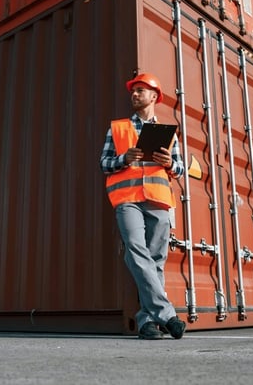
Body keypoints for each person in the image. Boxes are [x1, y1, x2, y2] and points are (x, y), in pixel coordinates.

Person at [99, 72, 187, 340]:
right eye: (133, 91)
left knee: (156, 260)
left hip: (158, 201)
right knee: (135, 250)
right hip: (127, 200)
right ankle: (168, 315)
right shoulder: (118, 128)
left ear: (154, 96)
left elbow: (180, 169)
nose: (134, 94)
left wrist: (169, 163)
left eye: (140, 90)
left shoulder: (167, 133)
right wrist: (124, 158)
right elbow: (104, 164)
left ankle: (148, 322)